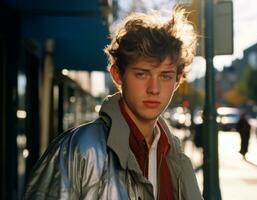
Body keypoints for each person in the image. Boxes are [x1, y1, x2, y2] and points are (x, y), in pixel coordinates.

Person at [24, 8, 203, 200]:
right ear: (117, 74)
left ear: (177, 81)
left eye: (165, 76)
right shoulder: (76, 150)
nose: (154, 88)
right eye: (141, 74)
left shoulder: (177, 159)